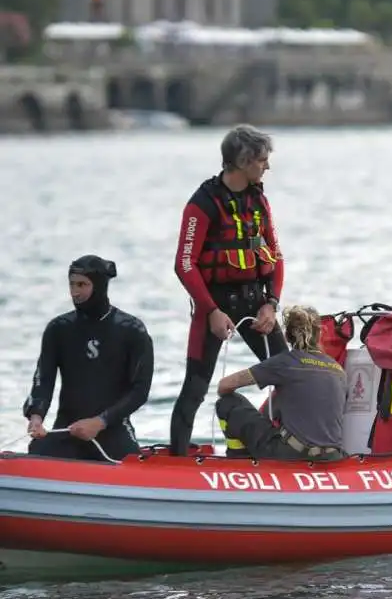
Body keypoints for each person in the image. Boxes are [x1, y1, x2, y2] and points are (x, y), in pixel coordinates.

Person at [170, 124, 289, 456]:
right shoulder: (202, 203)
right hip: (215, 305)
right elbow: (184, 263)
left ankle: (290, 448)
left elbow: (275, 255)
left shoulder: (258, 199)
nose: (267, 166)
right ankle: (177, 458)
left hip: (256, 302)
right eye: (263, 159)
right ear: (244, 160)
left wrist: (271, 304)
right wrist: (211, 311)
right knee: (194, 387)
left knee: (289, 375)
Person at [23, 255, 154, 462]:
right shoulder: (58, 329)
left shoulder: (131, 330)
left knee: (134, 470)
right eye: (72, 284)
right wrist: (36, 417)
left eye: (82, 285)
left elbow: (140, 392)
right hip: (67, 429)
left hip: (113, 430)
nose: (74, 292)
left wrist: (99, 422)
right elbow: (43, 380)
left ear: (100, 286)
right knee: (34, 455)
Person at [215, 305, 347, 460]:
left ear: (286, 336)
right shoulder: (338, 369)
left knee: (228, 403)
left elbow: (225, 385)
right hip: (332, 457)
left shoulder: (285, 362)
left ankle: (239, 460)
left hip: (293, 454)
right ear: (319, 334)